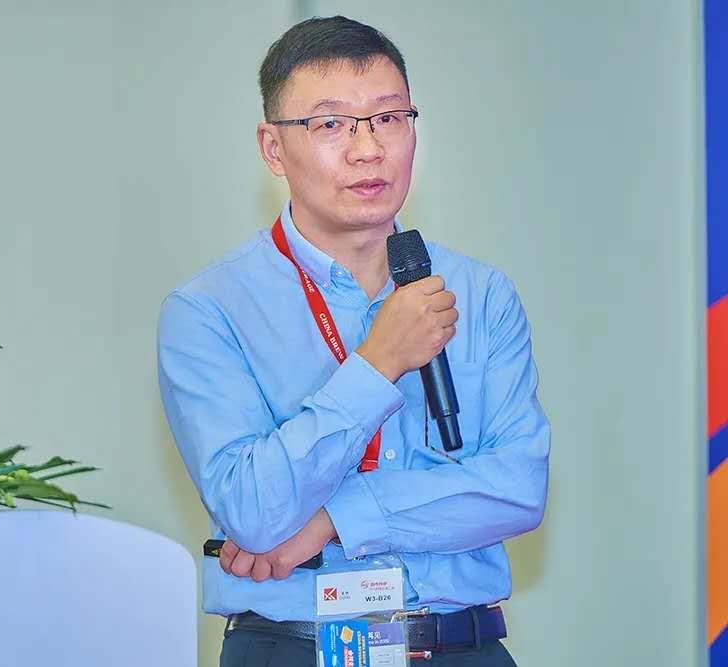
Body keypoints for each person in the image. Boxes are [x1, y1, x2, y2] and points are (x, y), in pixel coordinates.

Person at [157, 15, 549, 667]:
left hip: (462, 646)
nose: (368, 149)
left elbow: (517, 487)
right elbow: (251, 510)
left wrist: (329, 521)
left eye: (389, 118)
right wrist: (379, 361)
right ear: (273, 148)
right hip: (292, 648)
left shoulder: (481, 293)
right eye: (332, 124)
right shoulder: (209, 310)